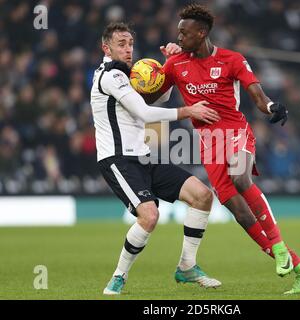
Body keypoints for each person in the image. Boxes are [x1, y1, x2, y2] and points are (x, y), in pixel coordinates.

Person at [147, 4, 300, 294]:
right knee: (240, 214)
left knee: (241, 178)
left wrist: (271, 107)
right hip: (208, 146)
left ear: (201, 33)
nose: (179, 38)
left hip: (236, 133)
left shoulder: (231, 59)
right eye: (178, 33)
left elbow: (256, 93)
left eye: (184, 33)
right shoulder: (176, 64)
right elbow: (152, 97)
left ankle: (278, 246)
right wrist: (154, 70)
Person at [90, 22, 222, 295]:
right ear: (107, 48)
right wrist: (188, 111)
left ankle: (187, 267)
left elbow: (159, 98)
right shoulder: (110, 76)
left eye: (130, 44)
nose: (128, 49)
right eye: (121, 44)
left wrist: (170, 64)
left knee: (202, 195)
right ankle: (119, 276)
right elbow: (145, 114)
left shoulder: (128, 75)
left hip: (144, 155)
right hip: (118, 160)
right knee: (149, 216)